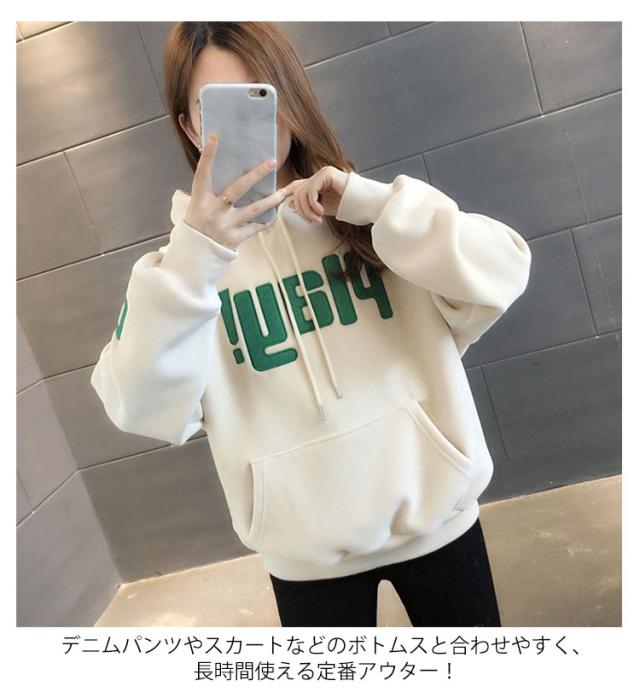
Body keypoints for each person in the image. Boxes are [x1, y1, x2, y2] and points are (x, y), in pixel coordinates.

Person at [90, 22, 531, 627]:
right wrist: (195, 261)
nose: (251, 122)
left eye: (261, 93)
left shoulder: (371, 218)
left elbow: (503, 269)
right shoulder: (180, 276)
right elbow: (136, 406)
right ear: (190, 127)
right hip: (305, 563)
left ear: (291, 94)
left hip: (440, 524)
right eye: (217, 106)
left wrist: (374, 205)